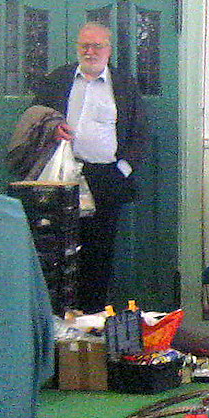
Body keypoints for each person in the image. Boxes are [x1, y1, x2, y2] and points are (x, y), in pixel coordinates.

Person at [32, 22, 147, 313]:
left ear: (109, 50)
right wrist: (51, 130)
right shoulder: (58, 80)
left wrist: (122, 170)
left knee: (99, 253)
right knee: (57, 251)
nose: (90, 51)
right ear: (77, 48)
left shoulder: (124, 85)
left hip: (106, 177)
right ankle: (58, 318)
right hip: (61, 177)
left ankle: (92, 318)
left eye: (97, 46)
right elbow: (34, 118)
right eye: (85, 45)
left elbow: (140, 133)